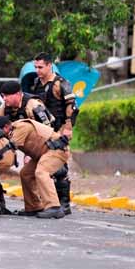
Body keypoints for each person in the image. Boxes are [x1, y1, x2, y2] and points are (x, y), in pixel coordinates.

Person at [0, 116, 68, 219]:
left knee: (41, 172)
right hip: (43, 154)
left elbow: (9, 149)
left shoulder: (20, 127)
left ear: (6, 127)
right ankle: (34, 207)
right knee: (26, 174)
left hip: (57, 150)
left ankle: (54, 207)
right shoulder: (12, 130)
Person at [31, 52, 77, 214]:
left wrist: (68, 128)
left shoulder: (61, 83)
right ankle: (53, 201)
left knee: (60, 167)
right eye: (35, 67)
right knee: (46, 165)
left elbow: (72, 107)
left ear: (50, 65)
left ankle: (64, 204)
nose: (38, 70)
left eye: (41, 67)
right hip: (44, 131)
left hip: (59, 129)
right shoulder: (36, 83)